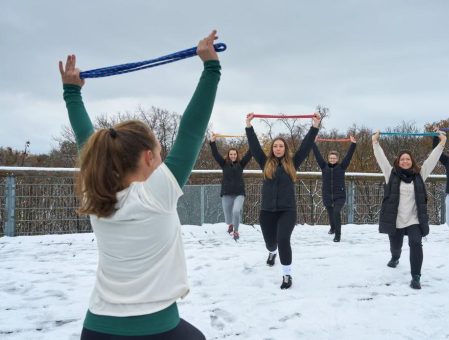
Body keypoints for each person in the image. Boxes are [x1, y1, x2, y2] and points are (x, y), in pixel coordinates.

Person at [60, 30, 221, 340]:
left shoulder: (96, 194)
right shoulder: (156, 194)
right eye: (160, 152)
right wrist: (211, 69)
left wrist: (71, 93)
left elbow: (87, 143)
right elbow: (190, 133)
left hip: (96, 328)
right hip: (157, 329)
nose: (162, 158)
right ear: (149, 157)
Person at [245, 112, 321, 289]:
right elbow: (255, 146)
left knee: (283, 239)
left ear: (285, 149)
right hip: (267, 211)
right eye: (275, 146)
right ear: (272, 149)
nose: (278, 148)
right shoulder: (265, 163)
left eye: (281, 146)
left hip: (287, 210)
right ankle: (272, 253)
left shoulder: (292, 163)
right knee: (270, 242)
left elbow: (305, 146)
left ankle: (287, 275)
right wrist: (249, 126)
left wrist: (314, 127)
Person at [372, 130, 446, 289]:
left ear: (412, 161)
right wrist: (375, 142)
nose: (405, 161)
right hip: (395, 219)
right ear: (398, 162)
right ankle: (395, 257)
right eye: (402, 159)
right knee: (395, 246)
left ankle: (416, 277)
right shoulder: (390, 174)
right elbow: (381, 158)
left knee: (415, 243)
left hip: (414, 219)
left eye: (408, 159)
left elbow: (431, 160)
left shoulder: (420, 174)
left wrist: (442, 143)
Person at [312, 136, 357, 242]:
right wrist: (313, 143)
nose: (332, 159)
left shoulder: (341, 167)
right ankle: (332, 227)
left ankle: (338, 235)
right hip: (327, 195)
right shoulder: (324, 166)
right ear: (328, 158)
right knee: (331, 213)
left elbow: (348, 156)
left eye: (334, 158)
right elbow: (317, 156)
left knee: (336, 212)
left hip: (339, 196)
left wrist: (353, 144)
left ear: (337, 159)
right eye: (331, 158)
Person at [209, 134, 252, 240]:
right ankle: (230, 225)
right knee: (228, 218)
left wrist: (252, 140)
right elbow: (215, 154)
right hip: (227, 193)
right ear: (228, 155)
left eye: (234, 154)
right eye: (231, 154)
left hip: (239, 194)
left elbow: (250, 153)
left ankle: (236, 231)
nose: (233, 156)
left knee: (236, 211)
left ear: (237, 155)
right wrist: (212, 141)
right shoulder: (224, 164)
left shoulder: (241, 164)